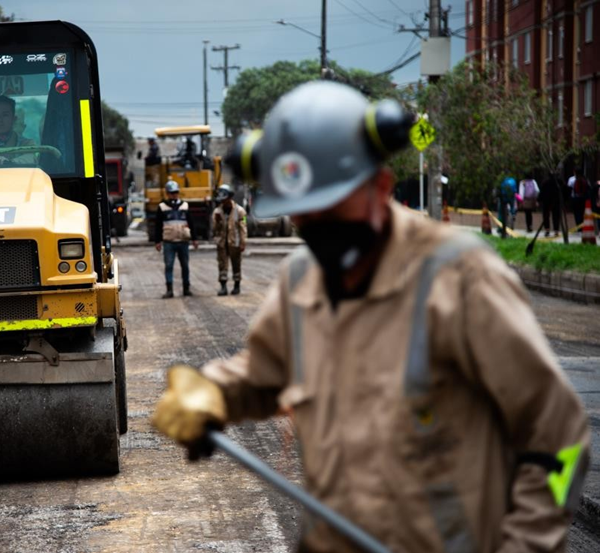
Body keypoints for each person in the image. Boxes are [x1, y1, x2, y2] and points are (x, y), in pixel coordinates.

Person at [152, 81, 589, 553]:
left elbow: (560, 434)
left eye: (332, 210)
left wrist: (529, 544)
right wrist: (213, 393)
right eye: (303, 216)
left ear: (380, 187)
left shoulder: (459, 276)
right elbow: (264, 373)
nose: (316, 229)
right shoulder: (302, 278)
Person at [155, 180, 198, 298]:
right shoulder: (162, 207)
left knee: (185, 265)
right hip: (169, 242)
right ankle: (169, 289)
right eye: (172, 193)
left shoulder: (185, 206)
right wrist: (157, 241)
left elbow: (191, 223)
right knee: (168, 265)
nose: (174, 195)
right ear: (167, 193)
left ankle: (186, 288)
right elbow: (158, 225)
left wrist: (194, 239)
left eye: (176, 192)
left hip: (183, 241)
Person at [212, 184, 247, 296]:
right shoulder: (217, 211)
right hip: (222, 243)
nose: (223, 201)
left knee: (236, 264)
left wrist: (243, 242)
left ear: (230, 197)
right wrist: (217, 222)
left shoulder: (240, 211)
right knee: (222, 265)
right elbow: (214, 229)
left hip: (235, 242)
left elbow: (243, 227)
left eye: (225, 199)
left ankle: (237, 286)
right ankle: (223, 287)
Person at [539, 172, 562, 237]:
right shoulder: (559, 182)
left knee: (546, 215)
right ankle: (556, 230)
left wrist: (540, 200)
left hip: (547, 201)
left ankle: (547, 230)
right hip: (556, 201)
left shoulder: (545, 182)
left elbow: (542, 192)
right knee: (556, 216)